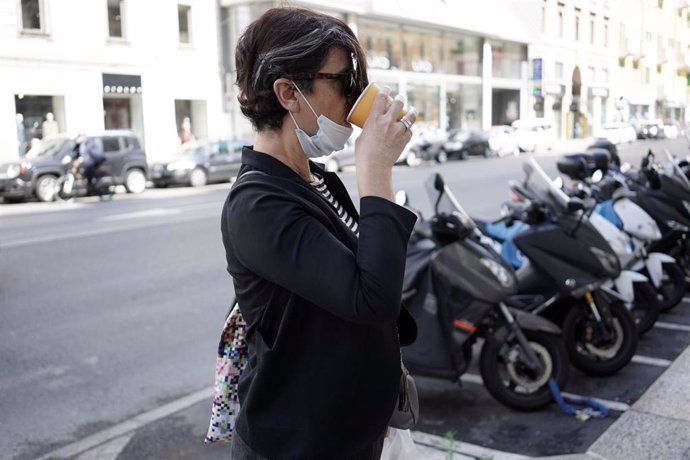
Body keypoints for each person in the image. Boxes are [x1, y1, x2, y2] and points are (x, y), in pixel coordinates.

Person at [220, 7, 419, 460]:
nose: (355, 99)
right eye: (344, 81)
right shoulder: (257, 204)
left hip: (347, 433)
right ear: (289, 92)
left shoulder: (317, 180)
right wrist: (375, 168)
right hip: (299, 445)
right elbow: (370, 299)